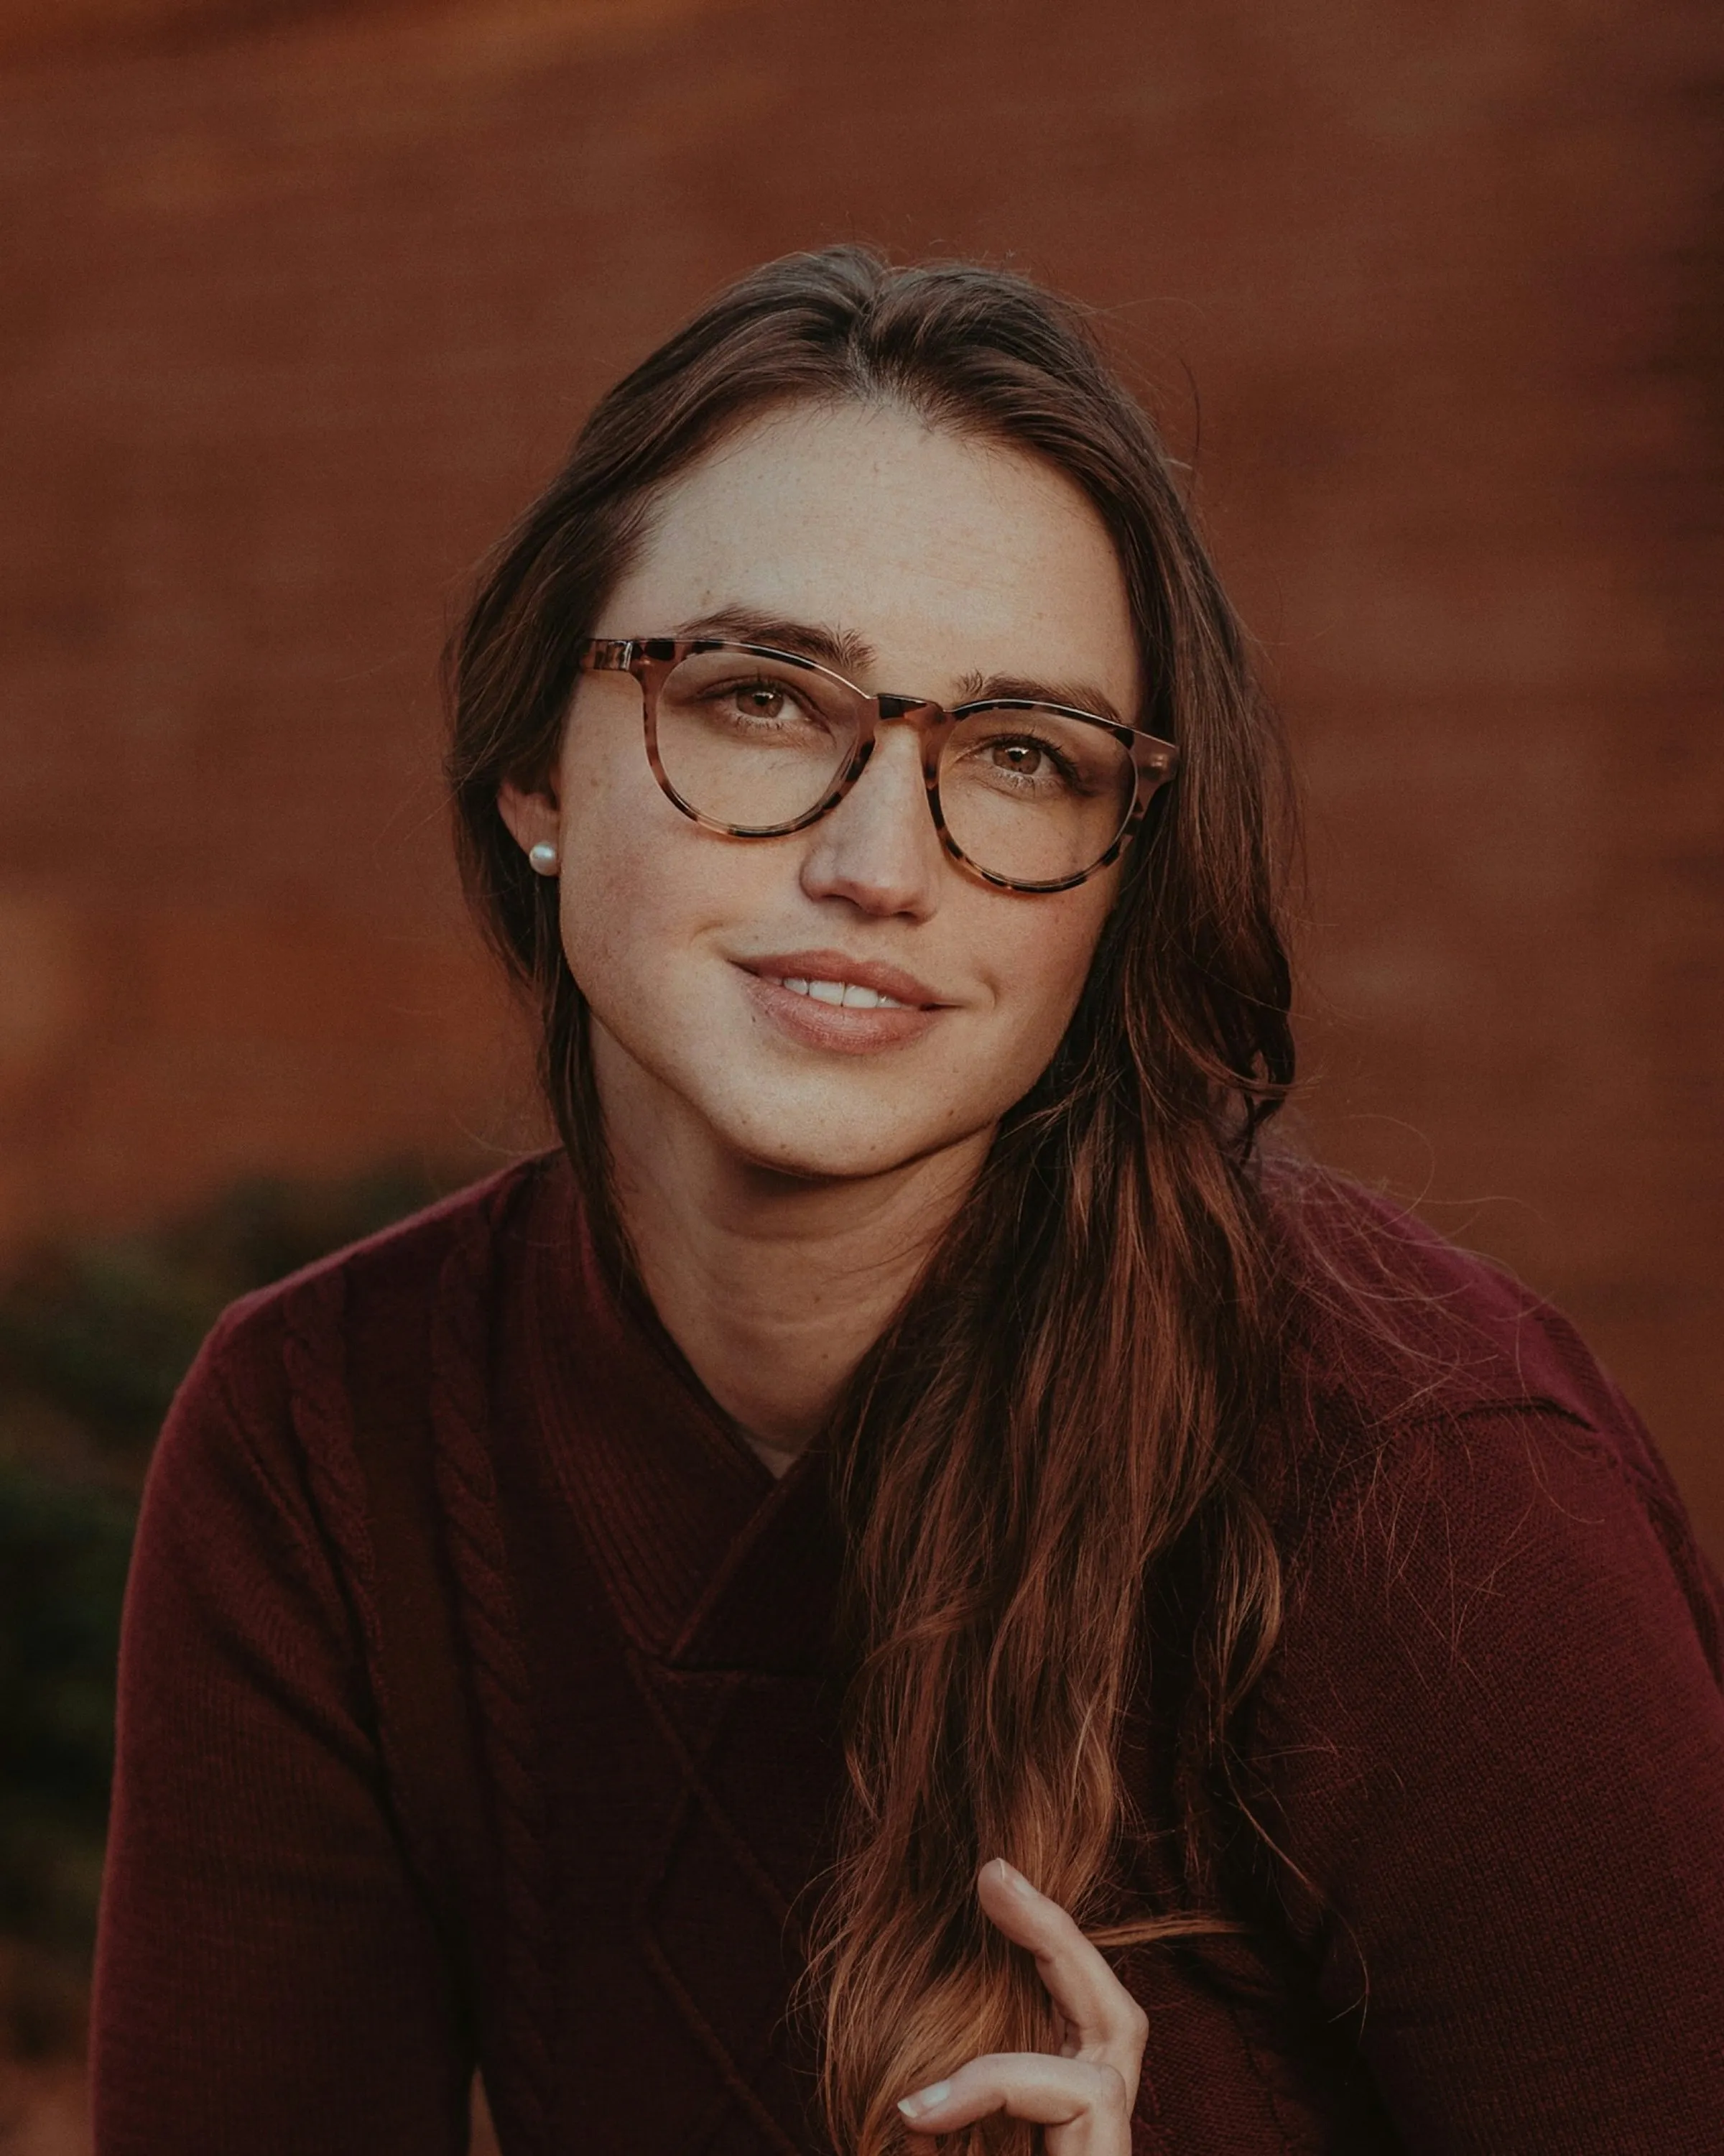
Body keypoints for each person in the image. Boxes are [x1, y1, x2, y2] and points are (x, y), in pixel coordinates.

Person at [90, 248, 1724, 2156]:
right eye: (764, 699)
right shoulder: (329, 1446)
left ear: (1121, 872)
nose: (882, 862)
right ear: (538, 757)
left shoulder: (1419, 1474)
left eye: (1021, 757)